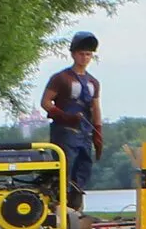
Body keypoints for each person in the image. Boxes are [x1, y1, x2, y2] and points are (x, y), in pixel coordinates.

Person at [39, 32, 105, 214]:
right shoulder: (61, 78)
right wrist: (62, 116)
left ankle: (75, 207)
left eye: (88, 54)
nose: (85, 58)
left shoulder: (93, 82)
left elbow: (95, 107)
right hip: (65, 131)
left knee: (83, 168)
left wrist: (98, 132)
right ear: (73, 54)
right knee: (64, 168)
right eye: (81, 53)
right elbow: (45, 102)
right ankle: (57, 205)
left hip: (85, 131)